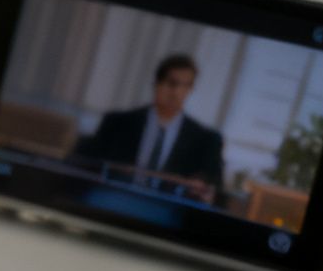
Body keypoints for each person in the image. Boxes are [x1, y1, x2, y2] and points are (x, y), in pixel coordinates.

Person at [73, 53, 225, 201]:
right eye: (172, 83)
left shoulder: (206, 140)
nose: (177, 92)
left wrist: (201, 185)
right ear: (157, 84)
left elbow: (215, 188)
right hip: (114, 199)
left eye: (186, 86)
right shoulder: (117, 123)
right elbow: (86, 164)